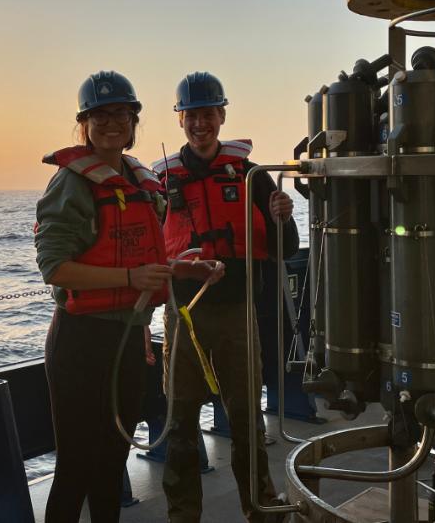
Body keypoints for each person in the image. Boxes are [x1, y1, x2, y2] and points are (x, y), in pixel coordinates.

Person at [35, 70, 222, 523]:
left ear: (135, 120)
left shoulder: (138, 182)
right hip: (80, 343)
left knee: (112, 461)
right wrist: (130, 277)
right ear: (84, 124)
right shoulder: (71, 183)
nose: (112, 122)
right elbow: (54, 267)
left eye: (121, 112)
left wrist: (186, 268)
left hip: (129, 340)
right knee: (76, 467)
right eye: (100, 115)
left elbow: (144, 263)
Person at [154, 72, 299, 523]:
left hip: (238, 313)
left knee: (246, 423)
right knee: (180, 425)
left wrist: (282, 216)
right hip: (184, 320)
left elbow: (287, 248)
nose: (201, 124)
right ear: (180, 120)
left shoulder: (252, 177)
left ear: (222, 115)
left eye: (208, 114)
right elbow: (148, 252)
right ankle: (183, 515)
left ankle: (260, 507)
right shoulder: (162, 182)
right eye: (191, 115)